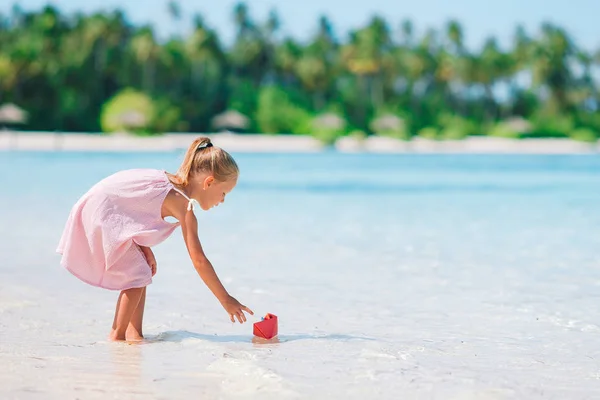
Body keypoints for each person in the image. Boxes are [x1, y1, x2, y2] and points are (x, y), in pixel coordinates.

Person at [56, 136, 253, 341]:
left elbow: (134, 210)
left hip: (99, 207)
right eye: (223, 193)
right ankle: (117, 335)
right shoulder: (183, 206)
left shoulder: (171, 185)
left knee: (141, 270)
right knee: (137, 273)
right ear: (209, 182)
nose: (222, 200)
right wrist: (226, 299)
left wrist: (142, 247)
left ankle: (134, 337)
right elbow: (199, 261)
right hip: (99, 211)